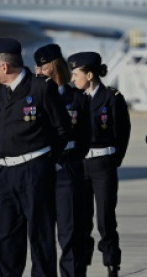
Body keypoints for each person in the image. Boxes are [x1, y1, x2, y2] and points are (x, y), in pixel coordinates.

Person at [0, 37, 73, 277]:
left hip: (35, 172)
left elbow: (63, 129)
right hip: (7, 174)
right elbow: (0, 132)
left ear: (4, 67)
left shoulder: (41, 88)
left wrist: (45, 161)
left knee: (41, 237)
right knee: (6, 238)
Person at [67, 51, 131, 277]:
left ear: (90, 74)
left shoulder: (112, 98)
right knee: (81, 220)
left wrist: (114, 160)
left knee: (105, 219)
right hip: (80, 164)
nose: (73, 79)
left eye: (76, 74)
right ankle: (82, 265)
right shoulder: (74, 98)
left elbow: (122, 133)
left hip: (103, 164)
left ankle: (112, 265)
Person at [33, 44, 90, 277]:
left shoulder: (77, 98)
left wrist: (72, 162)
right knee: (41, 234)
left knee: (70, 234)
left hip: (67, 170)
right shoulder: (34, 97)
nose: (38, 73)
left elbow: (85, 137)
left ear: (55, 67)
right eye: (37, 68)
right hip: (42, 169)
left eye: (43, 68)